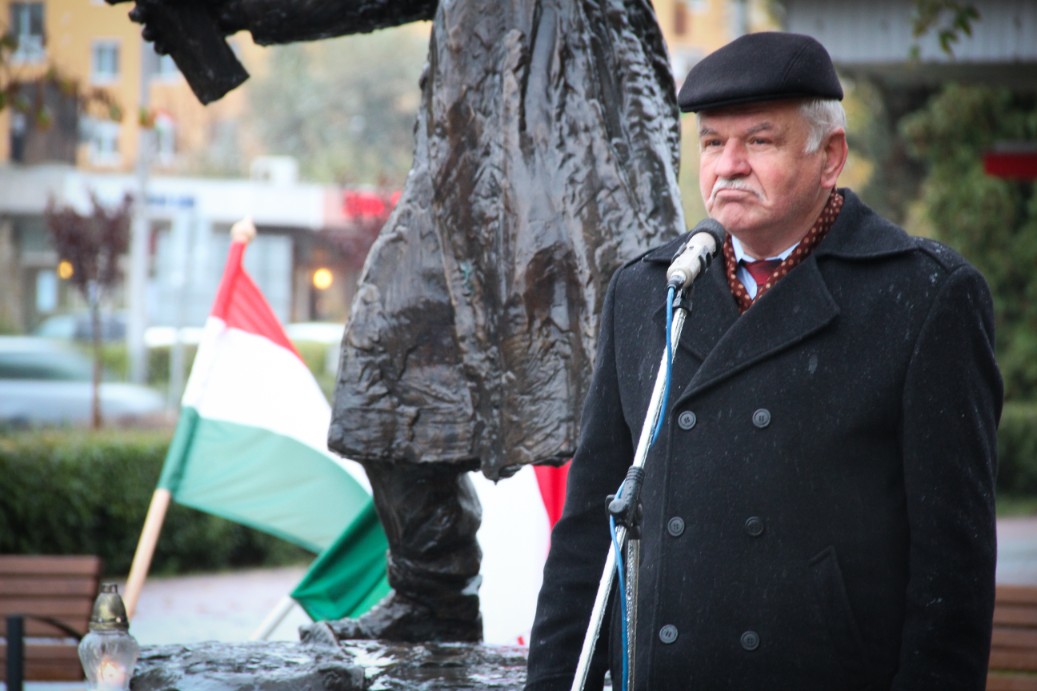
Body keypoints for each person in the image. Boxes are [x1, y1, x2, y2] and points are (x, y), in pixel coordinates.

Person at [126, 0, 685, 641]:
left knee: (626, 380)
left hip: (574, 126)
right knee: (381, 369)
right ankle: (432, 596)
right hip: (466, 150)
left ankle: (649, 611)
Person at [526, 31, 1003, 690]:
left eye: (758, 141)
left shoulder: (923, 295)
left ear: (829, 156)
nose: (729, 165)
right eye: (711, 143)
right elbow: (587, 533)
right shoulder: (648, 291)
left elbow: (951, 570)